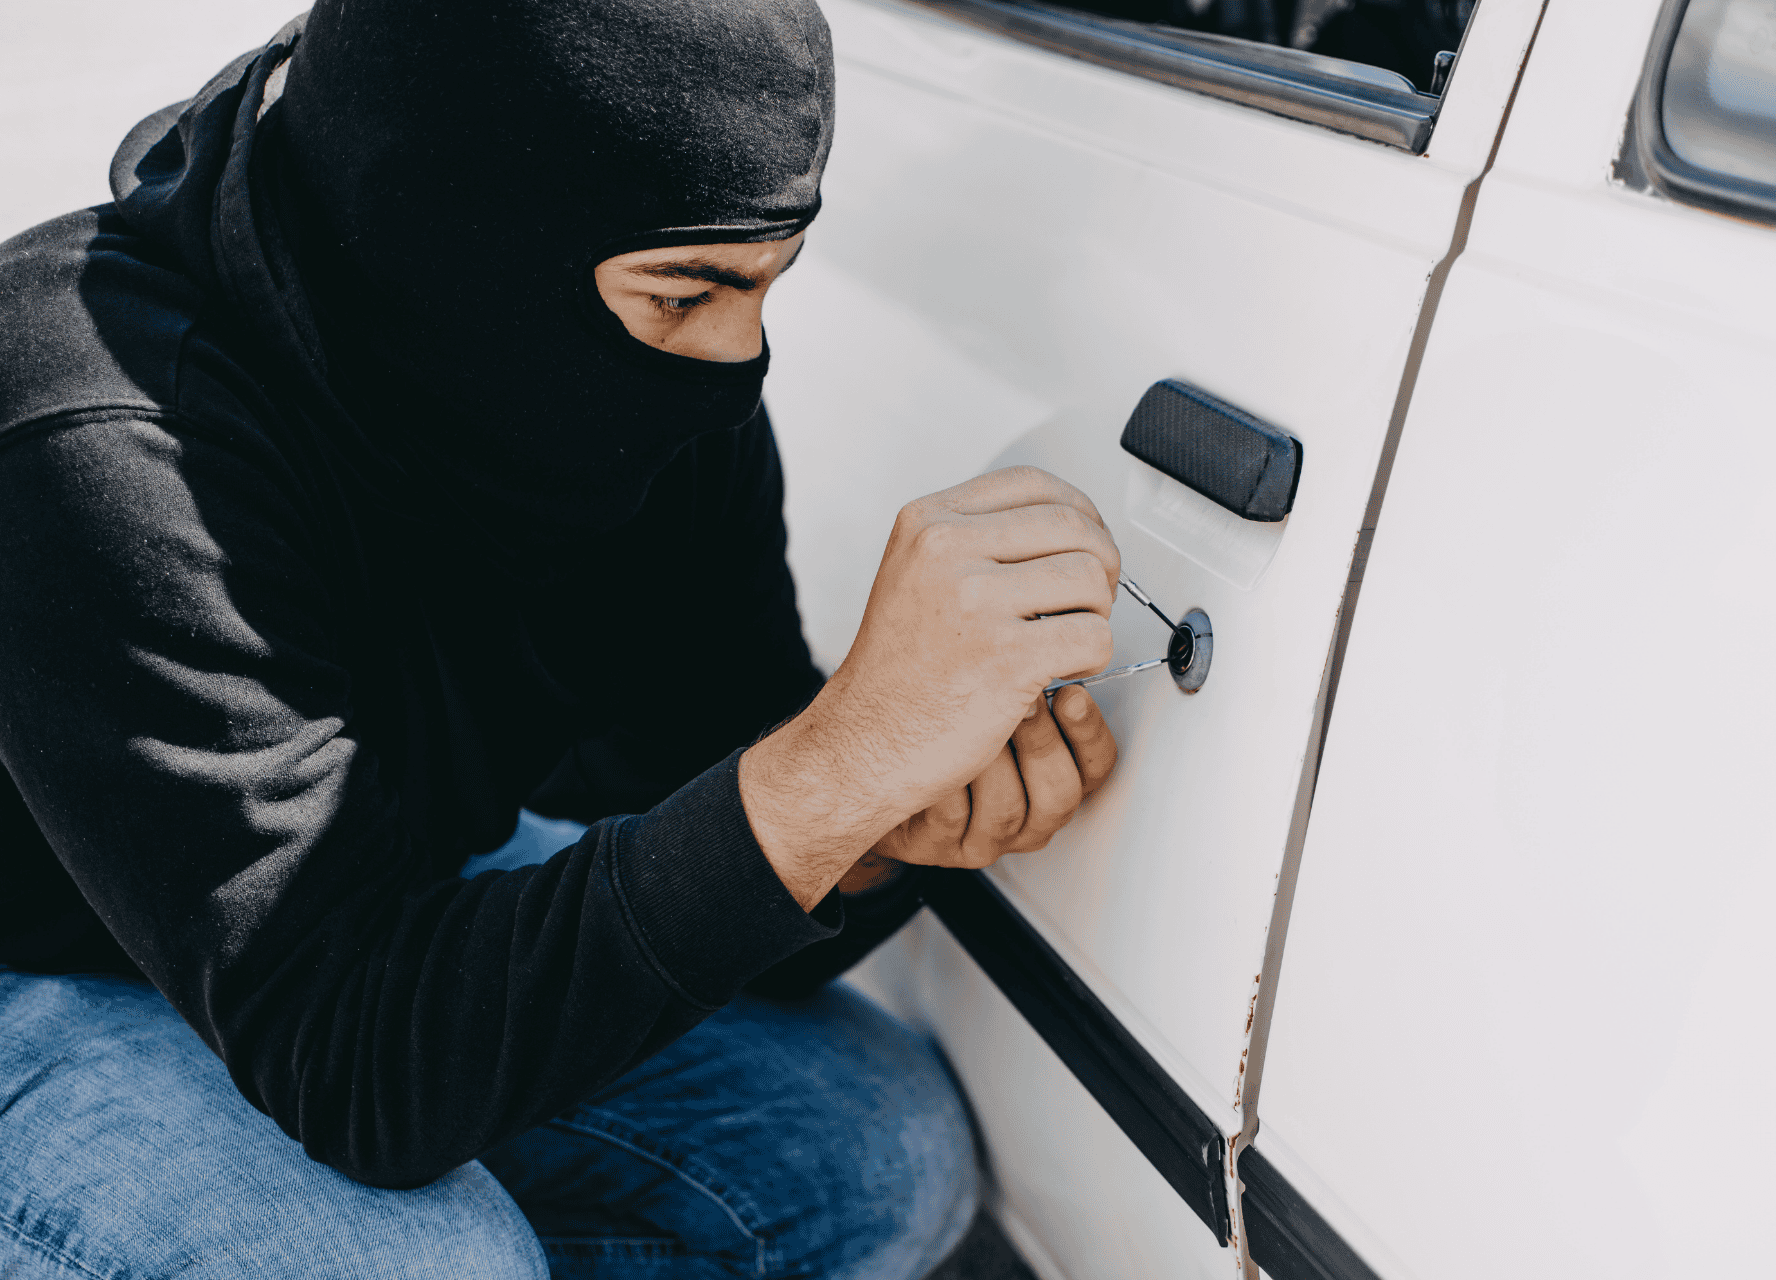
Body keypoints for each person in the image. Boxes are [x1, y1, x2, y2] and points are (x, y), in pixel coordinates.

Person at [0, 1, 1125, 1276]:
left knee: (871, 1148)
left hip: (346, 907)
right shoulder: (92, 428)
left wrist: (870, 828)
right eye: (689, 290)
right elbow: (347, 1050)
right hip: (41, 965)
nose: (737, 360)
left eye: (763, 284)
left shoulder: (619, 391)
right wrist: (821, 776)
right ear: (466, 243)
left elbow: (701, 771)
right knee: (420, 1265)